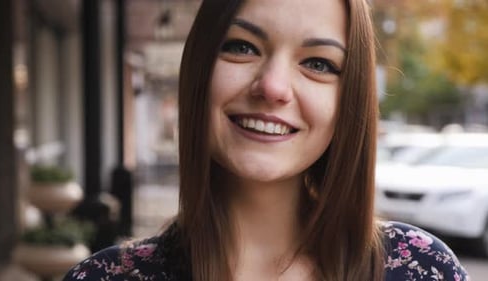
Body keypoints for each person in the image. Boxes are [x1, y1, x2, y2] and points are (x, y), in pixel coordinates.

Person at [63, 0, 469, 280]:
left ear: (350, 102)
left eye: (317, 64)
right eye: (242, 47)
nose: (273, 87)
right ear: (198, 69)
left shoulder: (421, 269)